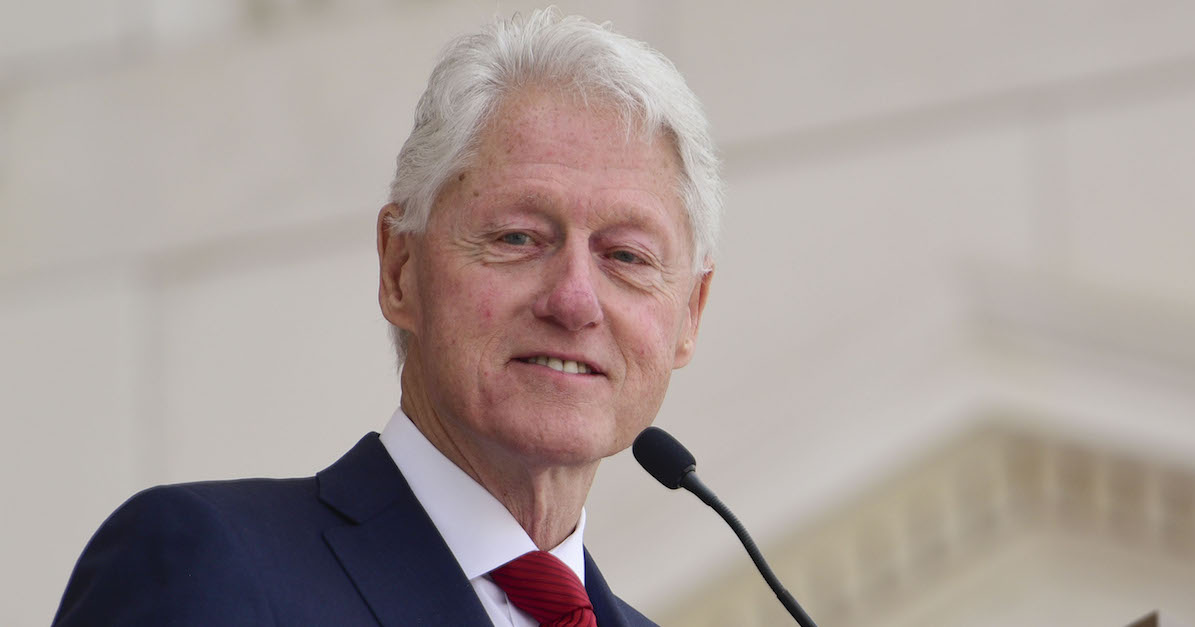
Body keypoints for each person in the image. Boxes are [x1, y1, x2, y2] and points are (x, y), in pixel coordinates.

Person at [53, 8, 721, 626]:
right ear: (400, 267)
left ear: (689, 314)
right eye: (518, 237)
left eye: (627, 255)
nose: (574, 299)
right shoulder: (206, 567)